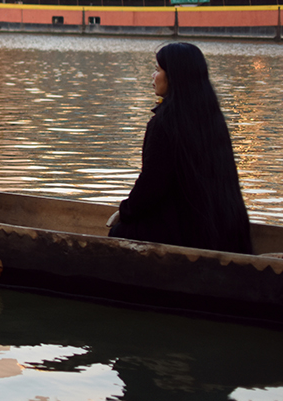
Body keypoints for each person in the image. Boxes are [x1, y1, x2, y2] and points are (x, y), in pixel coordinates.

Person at [108, 42, 252, 253]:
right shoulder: (212, 119)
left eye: (158, 70)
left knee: (118, 233)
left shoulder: (165, 123)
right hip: (224, 231)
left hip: (186, 235)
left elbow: (151, 185)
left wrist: (125, 211)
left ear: (174, 75)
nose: (153, 76)